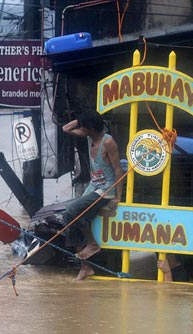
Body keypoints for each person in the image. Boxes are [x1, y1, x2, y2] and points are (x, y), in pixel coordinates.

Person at [62, 112, 124, 280]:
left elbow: (119, 170)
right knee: (69, 218)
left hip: (105, 189)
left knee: (70, 210)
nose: (81, 128)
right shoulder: (88, 135)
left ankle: (93, 244)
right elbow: (65, 128)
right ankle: (85, 267)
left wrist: (118, 196)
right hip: (93, 186)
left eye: (83, 126)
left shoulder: (108, 142)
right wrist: (82, 119)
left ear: (90, 128)